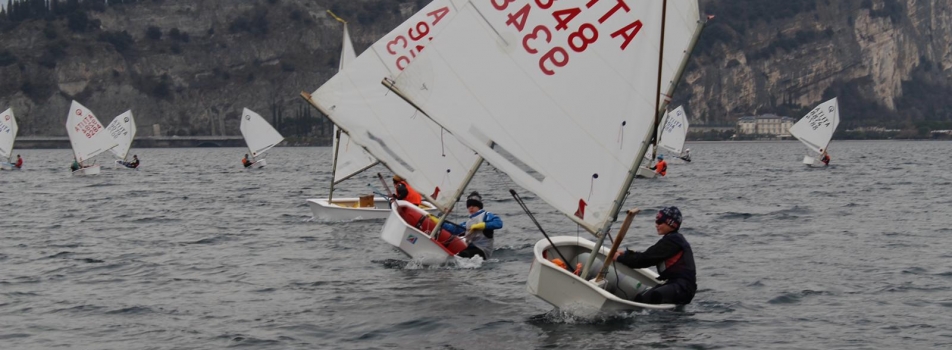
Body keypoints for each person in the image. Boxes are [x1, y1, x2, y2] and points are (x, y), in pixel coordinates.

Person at [613, 206, 696, 305]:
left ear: (670, 224)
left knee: (655, 296)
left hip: (683, 288)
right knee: (640, 298)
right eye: (656, 221)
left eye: (660, 222)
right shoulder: (673, 239)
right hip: (676, 284)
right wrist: (627, 253)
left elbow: (644, 260)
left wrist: (619, 258)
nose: (656, 225)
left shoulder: (672, 241)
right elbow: (649, 255)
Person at [442, 192, 503, 259]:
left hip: (483, 251)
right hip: (471, 248)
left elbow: (499, 223)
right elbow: (454, 229)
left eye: (473, 206)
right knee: (458, 255)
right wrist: (441, 223)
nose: (471, 208)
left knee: (463, 255)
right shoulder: (469, 222)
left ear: (479, 206)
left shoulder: (486, 215)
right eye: (469, 206)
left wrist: (482, 225)